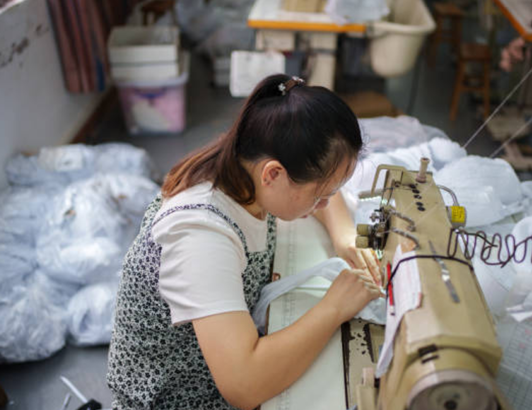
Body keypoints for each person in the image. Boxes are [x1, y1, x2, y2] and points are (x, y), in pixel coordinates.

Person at [107, 74, 382, 410]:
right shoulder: (200, 234)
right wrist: (334, 307)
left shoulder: (245, 160)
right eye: (318, 197)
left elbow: (324, 186)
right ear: (274, 175)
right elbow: (244, 384)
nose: (324, 205)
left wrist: (344, 236)